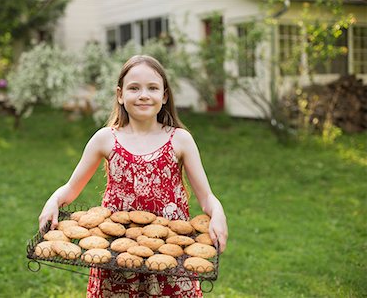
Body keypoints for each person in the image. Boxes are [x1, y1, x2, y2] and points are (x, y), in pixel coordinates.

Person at [38, 55, 228, 298]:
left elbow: (206, 197)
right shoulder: (105, 139)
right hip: (117, 260)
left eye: (152, 88)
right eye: (134, 88)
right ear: (120, 94)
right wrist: (53, 201)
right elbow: (71, 188)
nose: (143, 95)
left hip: (169, 256)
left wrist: (218, 213)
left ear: (165, 95)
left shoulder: (180, 139)